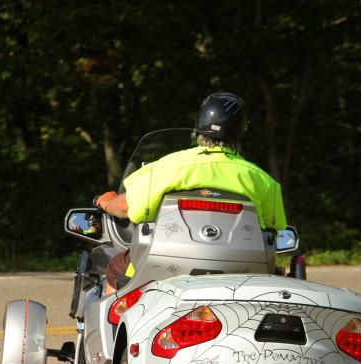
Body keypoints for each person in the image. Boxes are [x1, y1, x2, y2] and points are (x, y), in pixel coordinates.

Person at [96, 92, 287, 295]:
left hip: (160, 269)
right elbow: (274, 230)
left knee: (116, 267)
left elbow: (126, 206)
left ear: (198, 127)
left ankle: (115, 324)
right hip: (242, 277)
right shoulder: (265, 183)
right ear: (240, 131)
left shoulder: (167, 167)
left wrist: (107, 203)